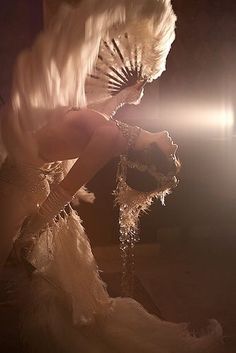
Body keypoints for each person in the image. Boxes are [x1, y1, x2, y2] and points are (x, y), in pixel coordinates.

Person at [0, 1, 223, 351]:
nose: (175, 144)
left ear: (150, 159)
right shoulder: (117, 127)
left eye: (172, 154)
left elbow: (64, 189)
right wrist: (128, 89)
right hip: (21, 164)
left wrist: (29, 235)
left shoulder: (111, 137)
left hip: (20, 184)